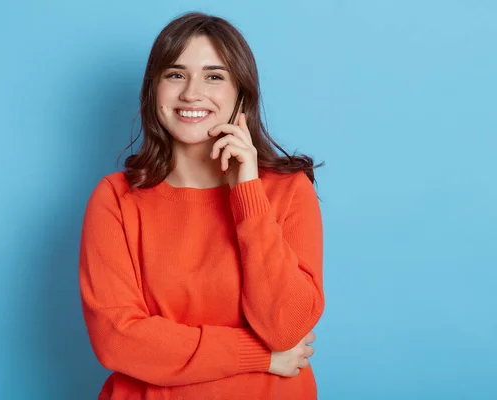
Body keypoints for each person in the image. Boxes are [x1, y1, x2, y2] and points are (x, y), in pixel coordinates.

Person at [79, 11, 324, 400]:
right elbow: (117, 340)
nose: (192, 93)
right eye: (175, 74)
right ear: (153, 89)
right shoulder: (115, 198)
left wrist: (247, 192)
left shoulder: (289, 191)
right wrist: (256, 355)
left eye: (214, 76)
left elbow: (286, 329)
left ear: (241, 93)